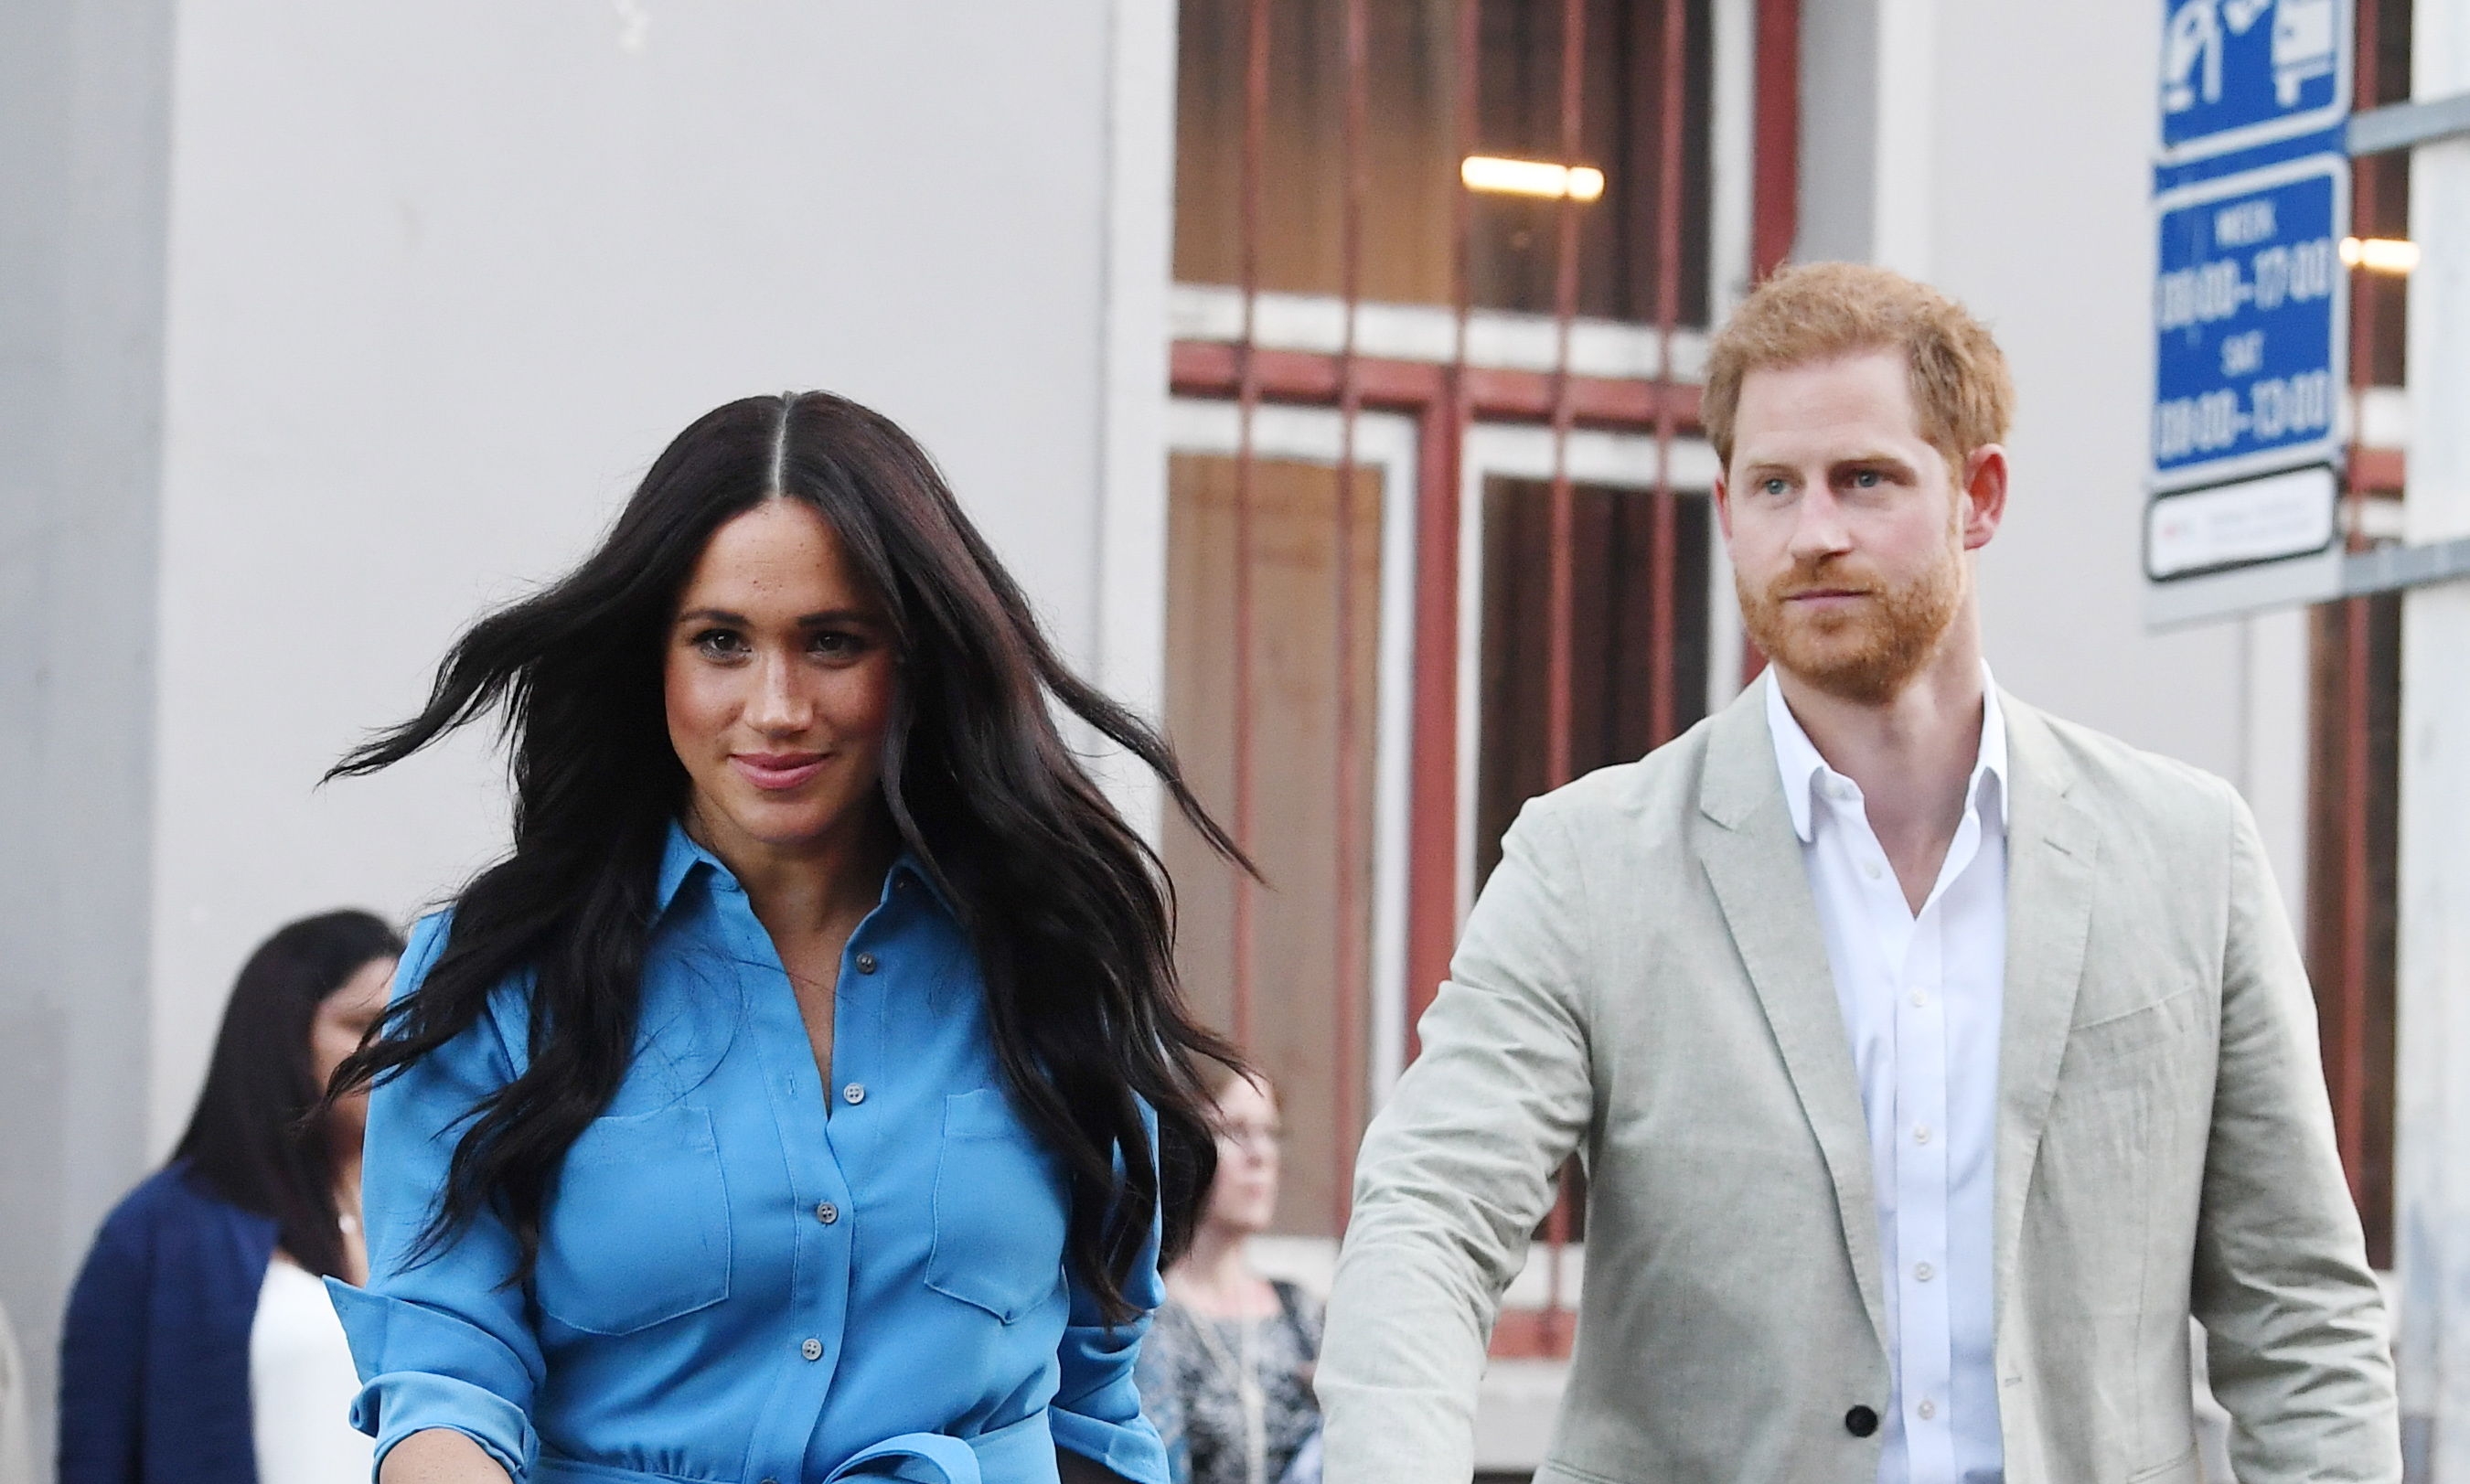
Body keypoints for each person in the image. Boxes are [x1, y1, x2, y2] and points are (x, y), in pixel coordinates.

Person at [1317, 262, 2400, 1484]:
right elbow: (1428, 1220)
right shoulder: (1590, 859)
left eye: (1864, 479)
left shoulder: (2186, 850)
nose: (1813, 529)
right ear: (1727, 507)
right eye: (1772, 485)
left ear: (1976, 494)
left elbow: (2300, 1310)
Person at [321, 391, 1242, 1484]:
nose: (777, 706)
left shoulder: (1051, 963)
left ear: (917, 659)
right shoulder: (503, 975)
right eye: (721, 642)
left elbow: (1093, 1403)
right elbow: (445, 1377)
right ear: (651, 662)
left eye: (833, 643)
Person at [59, 910, 404, 1484]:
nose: (390, 1050)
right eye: (362, 1024)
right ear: (285, 1034)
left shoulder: (451, 1212)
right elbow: (95, 1457)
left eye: (407, 1026)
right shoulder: (159, 1230)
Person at [1136, 1070, 1322, 1484]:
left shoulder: (1303, 1315)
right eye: (1236, 1131)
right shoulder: (1150, 1320)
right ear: (1186, 1146)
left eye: (1270, 1133)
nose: (1260, 1155)